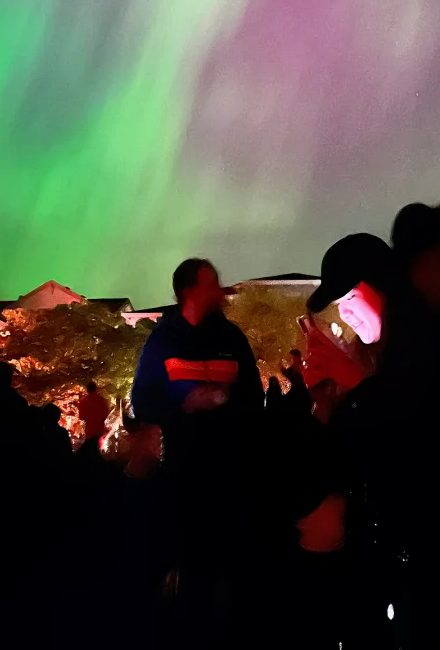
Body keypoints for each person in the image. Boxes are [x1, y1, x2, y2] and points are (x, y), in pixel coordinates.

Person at [131, 258, 263, 624]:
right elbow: (142, 399)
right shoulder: (162, 341)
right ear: (188, 291)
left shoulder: (232, 338)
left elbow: (253, 399)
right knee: (186, 562)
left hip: (229, 473)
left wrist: (229, 406)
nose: (220, 290)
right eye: (211, 283)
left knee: (227, 567)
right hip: (180, 474)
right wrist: (186, 406)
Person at [77, 381, 110, 446]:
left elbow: (81, 416)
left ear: (87, 390)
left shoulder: (84, 401)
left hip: (89, 431)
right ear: (95, 389)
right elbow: (106, 414)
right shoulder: (101, 400)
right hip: (99, 430)